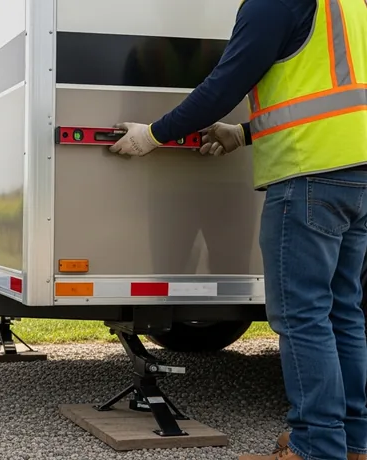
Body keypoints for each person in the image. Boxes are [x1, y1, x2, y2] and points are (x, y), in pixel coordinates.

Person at [108, 0, 367, 459]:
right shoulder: (351, 7)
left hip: (308, 175)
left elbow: (221, 86)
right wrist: (245, 133)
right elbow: (329, 97)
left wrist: (153, 134)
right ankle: (352, 443)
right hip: (357, 176)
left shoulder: (274, 3)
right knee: (342, 311)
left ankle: (315, 448)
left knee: (302, 316)